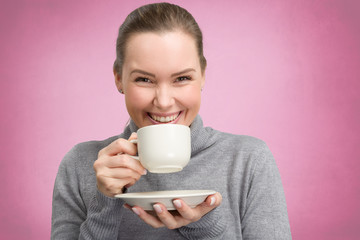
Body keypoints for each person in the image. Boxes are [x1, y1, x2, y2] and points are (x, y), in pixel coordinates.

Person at [51, 2, 292, 239]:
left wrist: (204, 227)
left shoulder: (249, 160)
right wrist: (105, 202)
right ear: (118, 78)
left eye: (182, 78)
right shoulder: (80, 164)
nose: (164, 101)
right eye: (144, 80)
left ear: (203, 76)